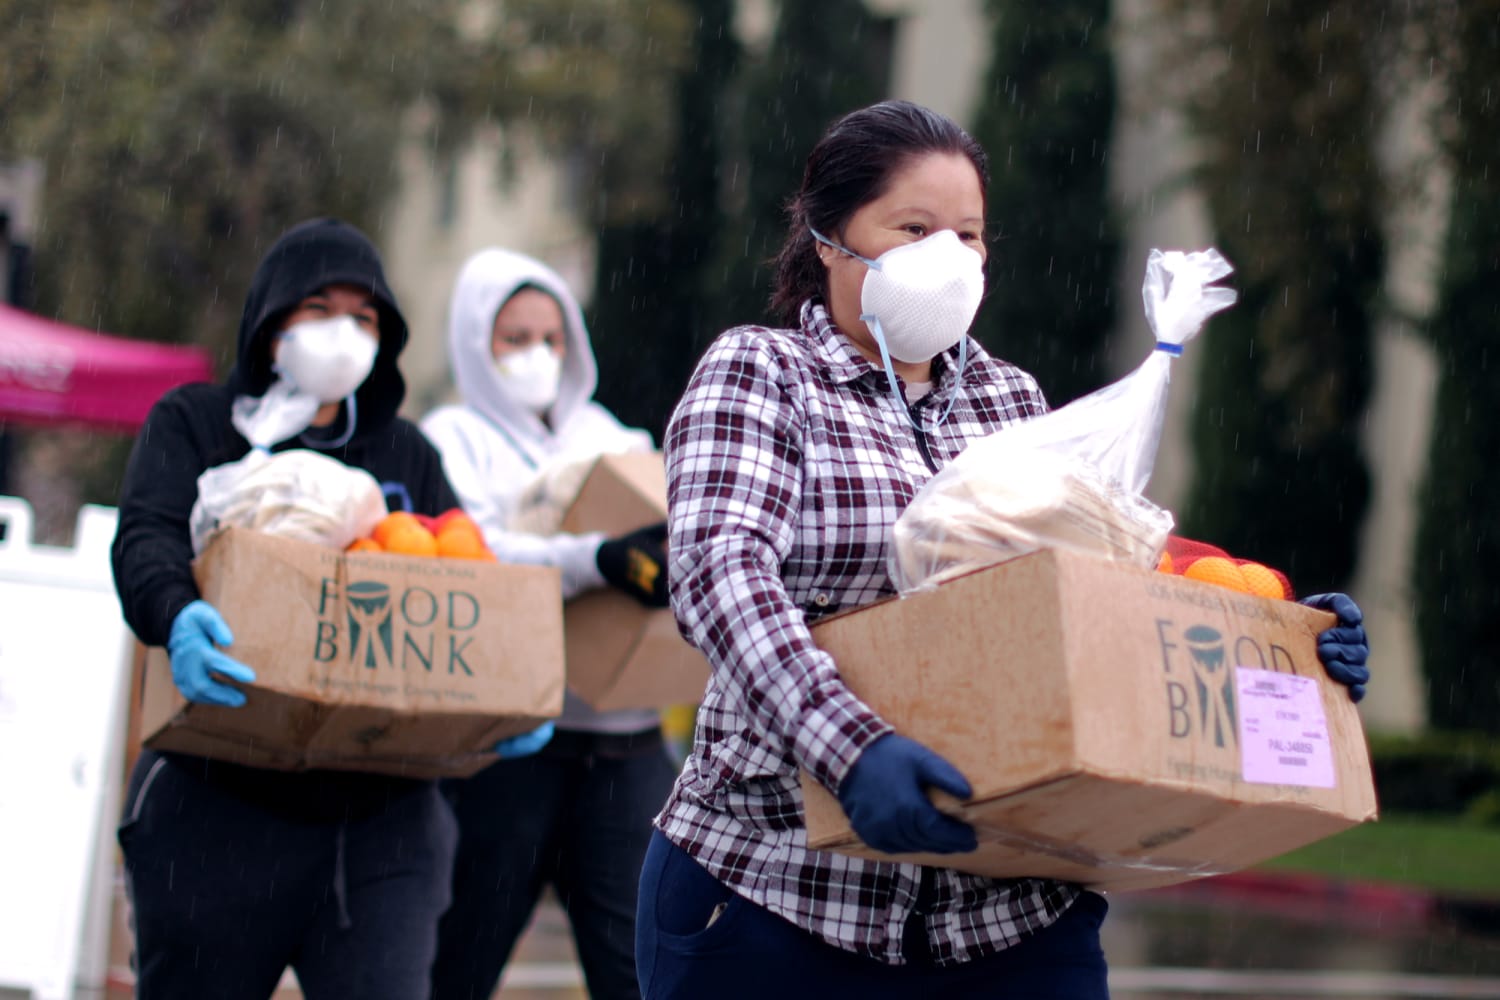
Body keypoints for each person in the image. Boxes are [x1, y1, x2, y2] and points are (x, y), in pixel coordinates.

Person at [638, 101, 1373, 999]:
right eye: (913, 228)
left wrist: (1282, 639)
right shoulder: (762, 373)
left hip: (1008, 915)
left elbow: (1097, 589)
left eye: (970, 235)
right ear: (831, 238)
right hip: (781, 899)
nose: (948, 256)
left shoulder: (1011, 400)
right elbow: (721, 578)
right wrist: (853, 750)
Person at [111, 218, 550, 1000]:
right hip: (216, 802)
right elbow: (145, 538)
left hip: (382, 823)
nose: (343, 333)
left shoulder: (407, 455)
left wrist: (496, 700)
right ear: (270, 321)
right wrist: (175, 613)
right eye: (318, 309)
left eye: (365, 317)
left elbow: (464, 587)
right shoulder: (195, 424)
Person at [422, 247, 680, 1000]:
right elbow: (471, 552)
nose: (538, 355)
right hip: (504, 748)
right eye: (514, 337)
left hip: (625, 751)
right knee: (455, 963)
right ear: (476, 342)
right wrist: (590, 560)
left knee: (639, 971)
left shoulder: (615, 439)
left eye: (552, 337)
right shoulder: (452, 438)